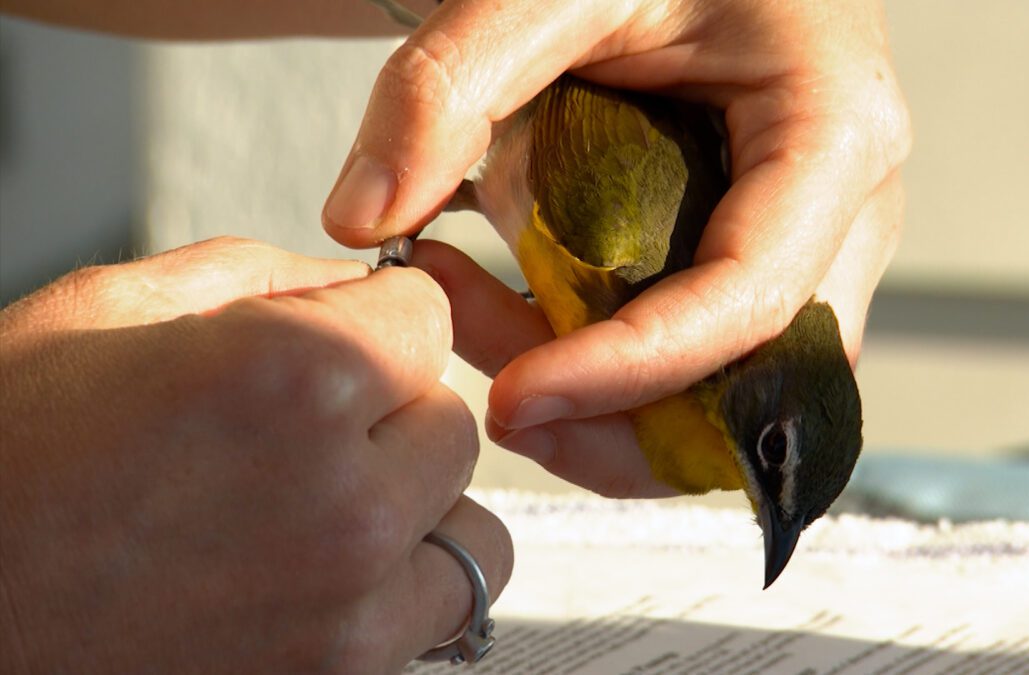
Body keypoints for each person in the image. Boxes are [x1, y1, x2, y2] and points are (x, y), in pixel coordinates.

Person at [0, 0, 909, 669]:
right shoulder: (621, 238)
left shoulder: (694, 426)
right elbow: (548, 88)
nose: (760, 500)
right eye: (771, 453)